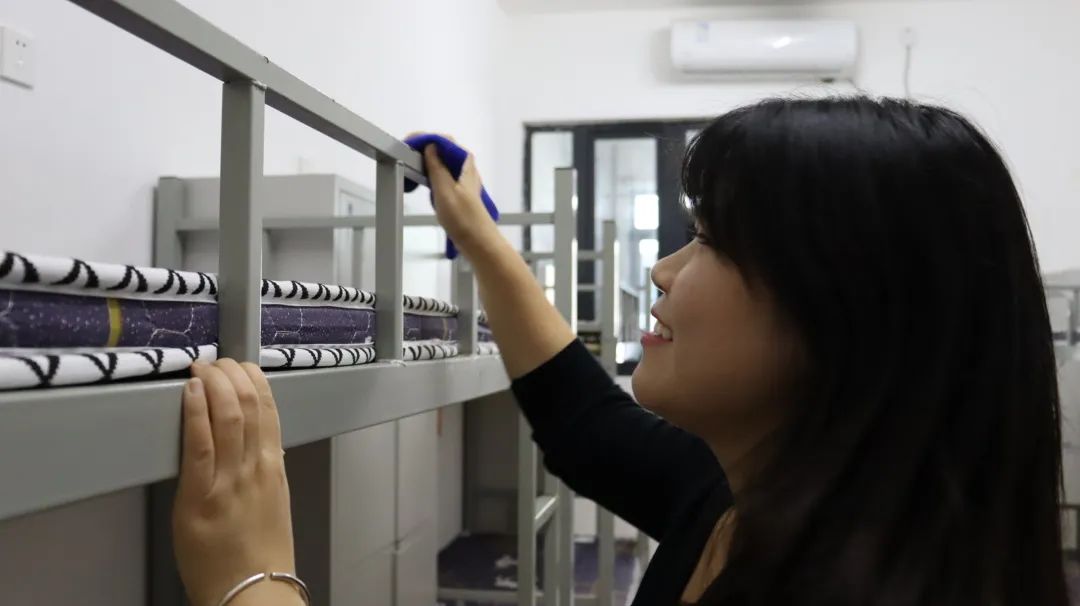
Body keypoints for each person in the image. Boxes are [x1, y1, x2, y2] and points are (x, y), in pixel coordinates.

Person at [172, 96, 1071, 606]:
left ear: (849, 314)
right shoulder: (749, 497)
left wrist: (252, 583)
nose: (663, 268)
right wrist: (479, 237)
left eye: (710, 240)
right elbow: (584, 420)